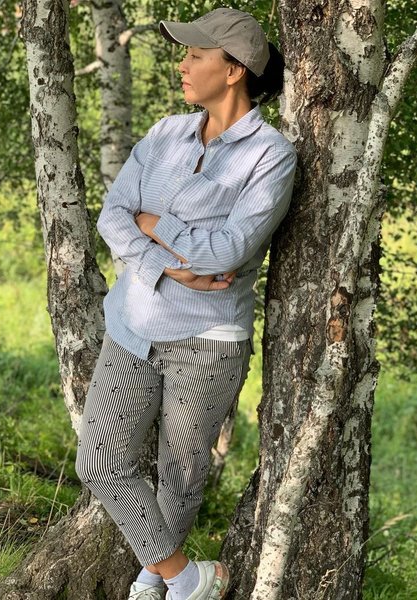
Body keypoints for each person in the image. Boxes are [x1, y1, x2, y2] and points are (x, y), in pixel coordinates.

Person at [74, 7, 297, 600]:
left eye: (196, 55)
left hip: (207, 341)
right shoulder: (165, 133)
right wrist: (166, 264)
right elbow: (112, 216)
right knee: (99, 461)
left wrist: (155, 223)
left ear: (234, 71)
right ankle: (188, 579)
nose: (183, 64)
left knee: (179, 478)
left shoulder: (270, 155)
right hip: (133, 325)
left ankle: (155, 585)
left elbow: (228, 251)